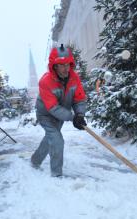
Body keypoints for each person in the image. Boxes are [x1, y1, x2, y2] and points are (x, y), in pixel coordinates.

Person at [31, 44, 87, 177]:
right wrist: (72, 117)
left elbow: (79, 98)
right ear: (54, 66)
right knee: (57, 140)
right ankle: (56, 175)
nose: (65, 68)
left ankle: (35, 160)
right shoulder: (45, 82)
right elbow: (53, 107)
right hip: (46, 114)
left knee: (50, 138)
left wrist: (79, 114)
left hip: (61, 113)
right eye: (61, 65)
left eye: (68, 64)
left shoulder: (74, 78)